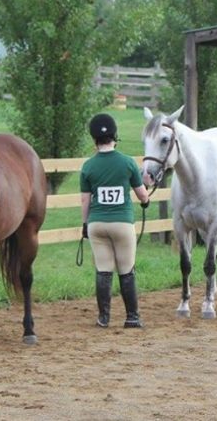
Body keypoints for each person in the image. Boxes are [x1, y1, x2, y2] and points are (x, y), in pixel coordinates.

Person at [80, 113, 149, 328]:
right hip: (122, 223)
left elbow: (85, 200)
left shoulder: (88, 166)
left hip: (97, 224)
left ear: (94, 139)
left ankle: (104, 318)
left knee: (103, 269)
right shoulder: (127, 163)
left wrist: (85, 224)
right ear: (114, 136)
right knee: (126, 269)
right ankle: (132, 317)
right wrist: (146, 200)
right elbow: (142, 195)